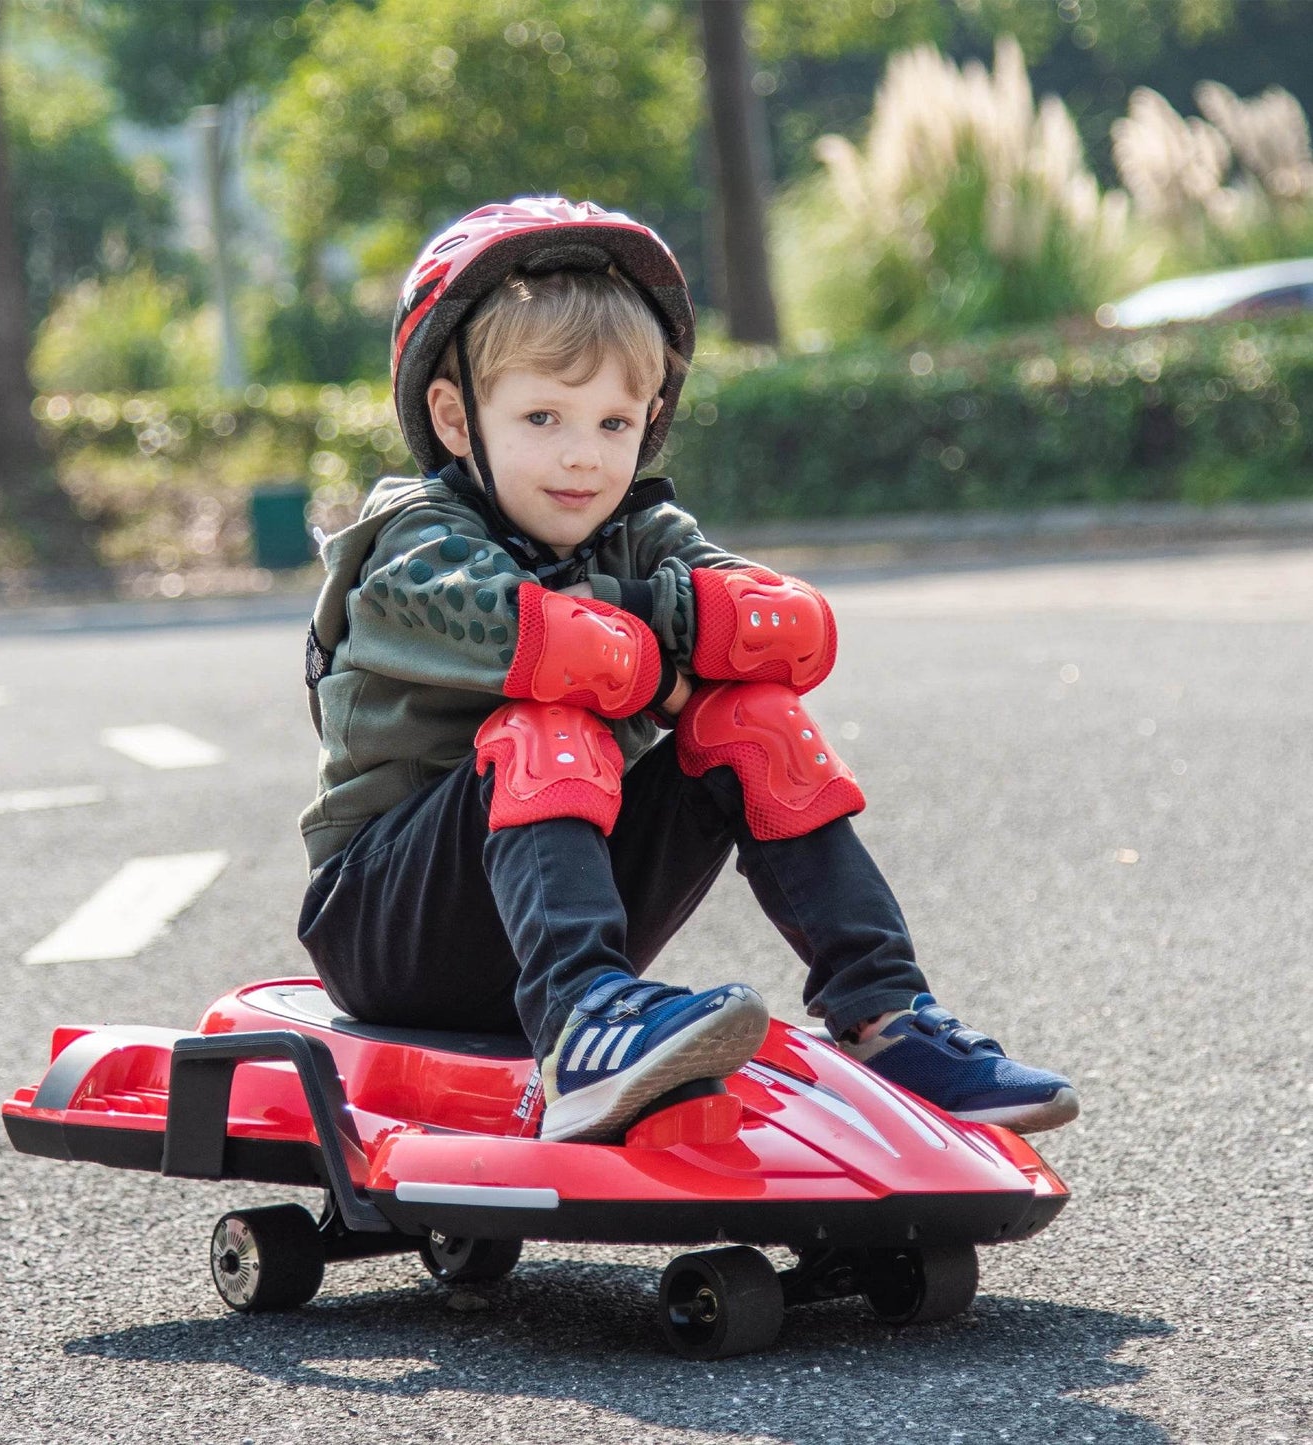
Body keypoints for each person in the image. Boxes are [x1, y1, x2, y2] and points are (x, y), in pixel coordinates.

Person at [297, 197, 1079, 1145]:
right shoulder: (411, 546)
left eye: (614, 421)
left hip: (548, 910)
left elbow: (790, 631)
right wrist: (672, 655)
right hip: (390, 926)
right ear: (457, 418)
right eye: (542, 416)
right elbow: (554, 645)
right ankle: (585, 1021)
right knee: (551, 716)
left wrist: (673, 656)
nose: (583, 456)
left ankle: (884, 1017)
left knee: (752, 720)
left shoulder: (641, 530)